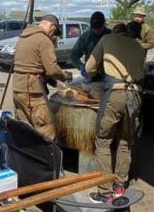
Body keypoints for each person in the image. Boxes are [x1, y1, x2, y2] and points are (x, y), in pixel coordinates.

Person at [85, 22, 146, 201]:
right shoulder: (138, 46)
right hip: (135, 96)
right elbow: (142, 73)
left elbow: (89, 68)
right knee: (126, 142)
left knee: (103, 141)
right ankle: (120, 185)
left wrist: (96, 73)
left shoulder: (107, 39)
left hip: (116, 94)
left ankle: (104, 191)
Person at [12, 15, 71, 139]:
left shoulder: (23, 37)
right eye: (54, 31)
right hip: (32, 91)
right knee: (45, 128)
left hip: (18, 88)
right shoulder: (43, 39)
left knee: (25, 127)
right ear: (51, 26)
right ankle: (47, 156)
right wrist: (65, 76)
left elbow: (34, 66)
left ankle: (28, 156)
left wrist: (55, 83)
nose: (52, 35)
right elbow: (52, 69)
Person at [71, 11, 111, 78]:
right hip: (91, 75)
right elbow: (73, 55)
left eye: (99, 28)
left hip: (109, 74)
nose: (97, 31)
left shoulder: (111, 35)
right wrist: (81, 66)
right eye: (94, 28)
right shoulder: (86, 37)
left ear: (104, 23)